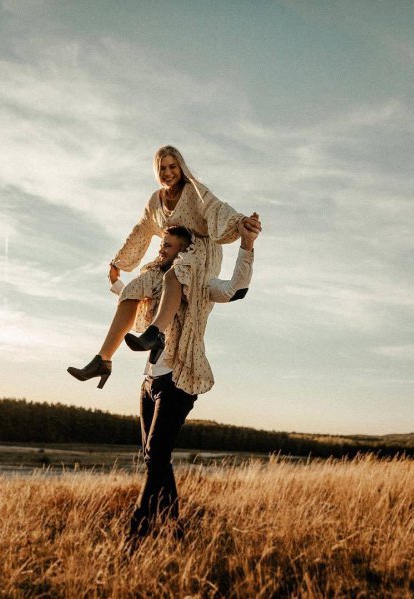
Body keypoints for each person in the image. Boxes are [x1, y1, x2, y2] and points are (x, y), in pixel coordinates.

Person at [67, 145, 262, 393]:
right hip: (170, 254)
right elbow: (142, 229)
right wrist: (120, 262)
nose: (168, 172)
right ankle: (103, 359)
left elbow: (217, 209)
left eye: (173, 167)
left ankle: (155, 332)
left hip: (199, 253)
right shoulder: (155, 201)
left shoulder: (195, 192)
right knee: (135, 288)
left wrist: (241, 223)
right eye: (162, 168)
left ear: (181, 168)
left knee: (176, 273)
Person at [120, 220, 258, 545]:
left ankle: (134, 536)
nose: (161, 250)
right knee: (155, 459)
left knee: (155, 455)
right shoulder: (157, 282)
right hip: (148, 381)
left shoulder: (200, 282)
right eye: (161, 245)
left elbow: (235, 289)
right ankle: (174, 532)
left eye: (168, 246)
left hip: (178, 382)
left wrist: (247, 246)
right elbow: (130, 302)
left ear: (185, 251)